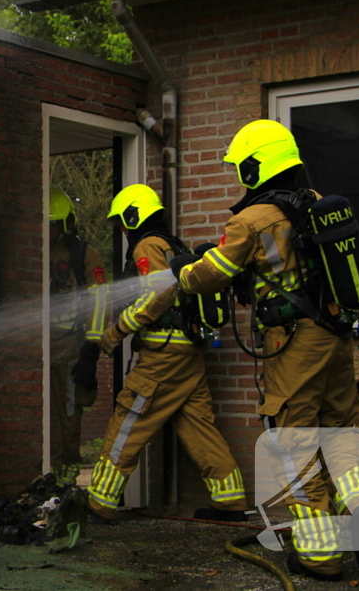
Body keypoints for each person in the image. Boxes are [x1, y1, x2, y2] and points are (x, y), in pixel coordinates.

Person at [169, 120, 359, 582]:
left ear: (255, 166)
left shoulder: (251, 219)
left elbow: (213, 275)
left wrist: (183, 271)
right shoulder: (315, 205)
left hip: (293, 344)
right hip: (336, 337)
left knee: (295, 443)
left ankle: (321, 556)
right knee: (341, 431)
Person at [90, 184, 249, 522]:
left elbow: (158, 295)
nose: (121, 229)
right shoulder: (172, 244)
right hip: (188, 353)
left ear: (135, 215)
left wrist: (117, 330)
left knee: (128, 420)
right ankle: (231, 501)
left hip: (162, 356)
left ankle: (99, 503)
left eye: (122, 221)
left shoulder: (147, 245)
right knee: (198, 426)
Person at [48, 187, 108, 488]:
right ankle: (49, 472)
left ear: (67, 223)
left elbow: (98, 300)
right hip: (37, 347)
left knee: (69, 413)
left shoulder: (84, 254)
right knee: (42, 413)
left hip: (70, 346)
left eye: (55, 225)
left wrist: (91, 347)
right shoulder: (34, 251)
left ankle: (68, 475)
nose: (50, 231)